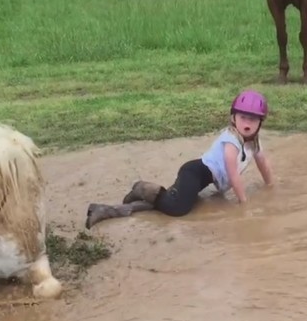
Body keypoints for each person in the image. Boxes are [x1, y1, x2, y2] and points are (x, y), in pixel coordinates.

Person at [85, 90, 275, 229]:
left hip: (202, 180)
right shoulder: (231, 141)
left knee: (170, 203)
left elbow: (263, 163)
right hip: (194, 172)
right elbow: (233, 174)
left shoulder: (253, 144)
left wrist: (271, 185)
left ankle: (107, 211)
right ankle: (142, 188)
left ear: (260, 123)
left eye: (253, 119)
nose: (247, 123)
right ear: (233, 118)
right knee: (178, 210)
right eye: (243, 117)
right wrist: (244, 204)